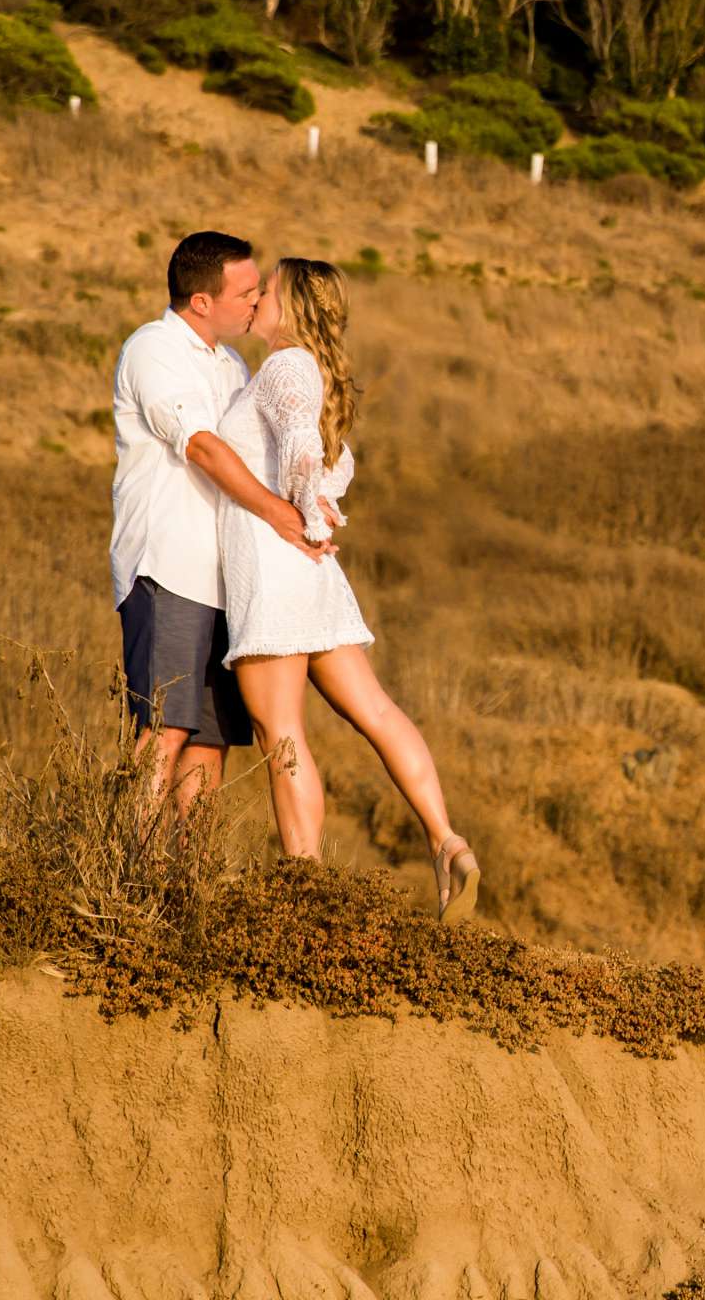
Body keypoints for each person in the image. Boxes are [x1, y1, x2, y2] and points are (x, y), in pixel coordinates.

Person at [219, 256, 480, 922]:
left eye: (268, 291)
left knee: (281, 735)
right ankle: (446, 839)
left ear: (294, 306)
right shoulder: (317, 373)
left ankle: (302, 891)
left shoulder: (285, 367)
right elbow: (315, 447)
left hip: (277, 563)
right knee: (377, 712)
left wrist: (304, 508)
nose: (255, 301)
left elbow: (303, 446)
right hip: (312, 571)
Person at [110, 231, 330, 811]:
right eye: (246, 292)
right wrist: (281, 514)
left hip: (229, 580)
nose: (257, 302)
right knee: (165, 729)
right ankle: (127, 869)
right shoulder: (153, 349)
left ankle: (190, 885)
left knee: (210, 742)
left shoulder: (232, 363)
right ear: (201, 301)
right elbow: (202, 447)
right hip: (170, 568)